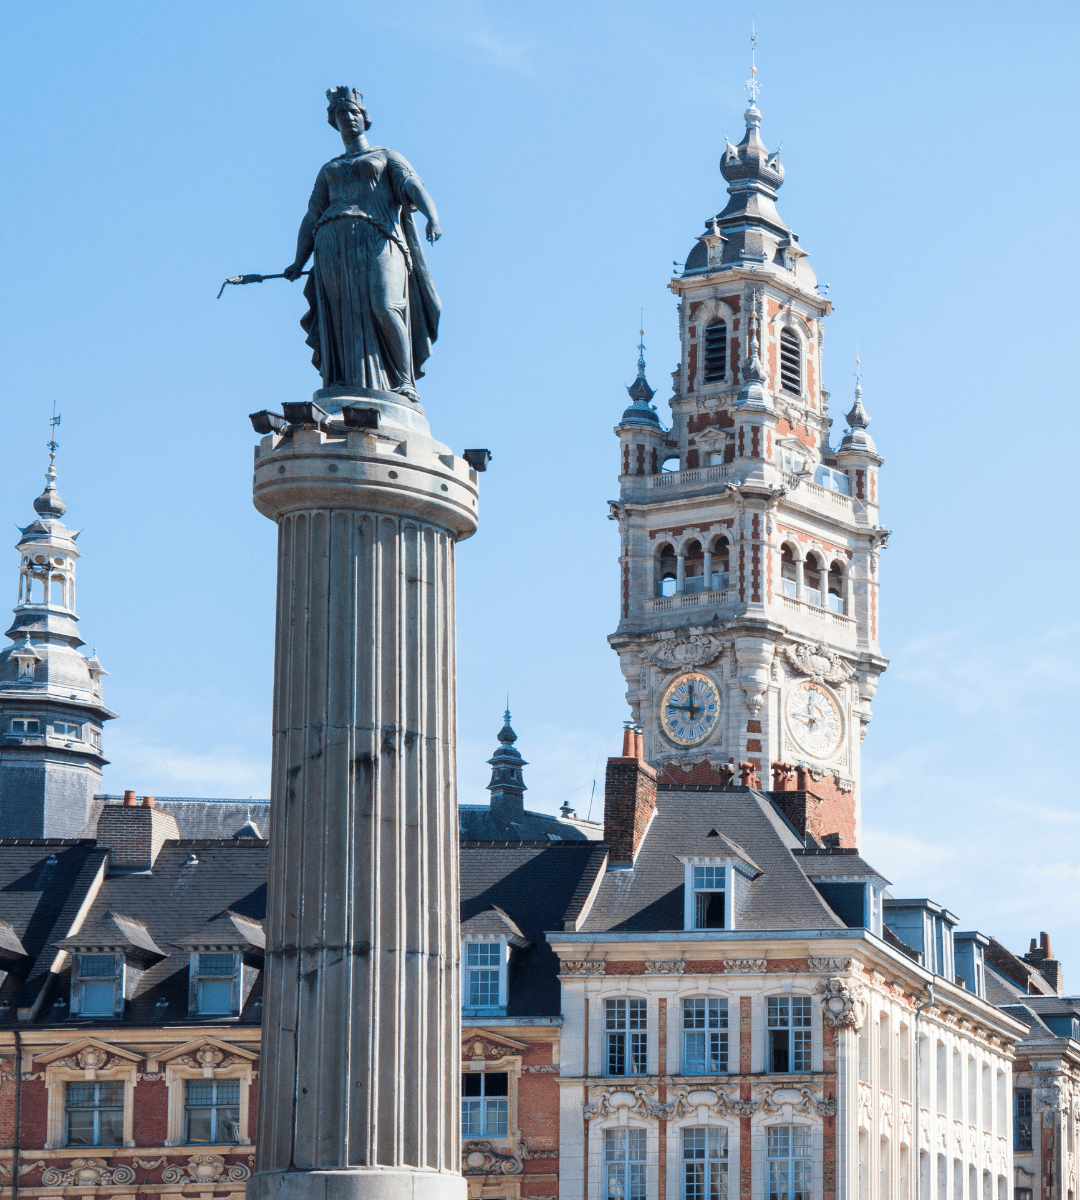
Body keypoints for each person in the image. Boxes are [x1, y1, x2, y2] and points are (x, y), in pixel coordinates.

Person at [283, 87, 442, 401]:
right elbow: (312, 214)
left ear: (365, 118)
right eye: (341, 114)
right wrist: (299, 260)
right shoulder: (328, 168)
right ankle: (343, 379)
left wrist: (432, 217)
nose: (348, 118)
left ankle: (404, 380)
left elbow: (412, 185)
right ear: (334, 121)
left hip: (379, 239)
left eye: (353, 112)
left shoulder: (385, 156)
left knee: (385, 305)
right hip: (331, 247)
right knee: (341, 316)